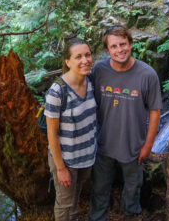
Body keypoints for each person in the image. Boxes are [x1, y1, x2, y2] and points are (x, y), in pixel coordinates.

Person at [87, 25, 162, 220]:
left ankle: (130, 216)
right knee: (99, 190)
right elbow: (89, 102)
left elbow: (155, 112)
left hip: (133, 148)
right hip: (103, 146)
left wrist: (148, 145)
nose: (119, 50)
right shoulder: (99, 70)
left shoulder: (147, 74)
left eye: (123, 44)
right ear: (107, 50)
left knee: (132, 190)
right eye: (114, 46)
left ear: (130, 44)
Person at [45, 38, 98, 221]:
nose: (85, 60)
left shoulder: (90, 81)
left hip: (86, 156)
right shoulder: (57, 92)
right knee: (64, 204)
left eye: (88, 55)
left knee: (75, 198)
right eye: (78, 57)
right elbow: (51, 134)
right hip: (65, 160)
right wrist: (60, 168)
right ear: (67, 62)